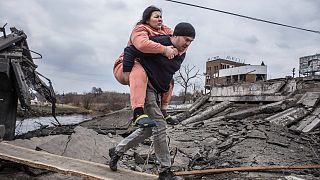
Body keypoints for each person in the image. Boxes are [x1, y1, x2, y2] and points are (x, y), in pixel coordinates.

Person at [109, 22, 195, 180]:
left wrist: (164, 108)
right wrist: (128, 73)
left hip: (156, 91)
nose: (188, 44)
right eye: (186, 39)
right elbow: (131, 49)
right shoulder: (161, 42)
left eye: (191, 41)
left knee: (149, 129)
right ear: (175, 35)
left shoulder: (182, 54)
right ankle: (165, 171)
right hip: (145, 86)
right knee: (160, 126)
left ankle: (117, 150)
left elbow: (167, 77)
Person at [113, 6, 180, 128]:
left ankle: (164, 111)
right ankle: (138, 112)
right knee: (139, 71)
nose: (160, 19)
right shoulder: (140, 29)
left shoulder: (165, 30)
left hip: (148, 68)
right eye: (156, 17)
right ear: (147, 20)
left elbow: (177, 38)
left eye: (161, 17)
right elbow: (141, 44)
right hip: (127, 65)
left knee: (169, 80)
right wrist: (164, 49)